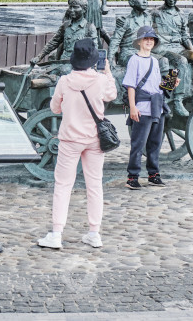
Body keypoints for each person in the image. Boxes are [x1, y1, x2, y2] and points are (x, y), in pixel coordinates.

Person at [38, 38, 117, 249]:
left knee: (63, 185)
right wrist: (107, 71)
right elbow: (113, 94)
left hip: (70, 139)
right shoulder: (100, 80)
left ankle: (56, 234)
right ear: (92, 60)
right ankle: (94, 232)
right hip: (94, 140)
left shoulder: (64, 81)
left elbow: (55, 109)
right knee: (94, 186)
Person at [123, 26, 175, 190]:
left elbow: (157, 86)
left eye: (151, 39)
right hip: (142, 108)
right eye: (146, 39)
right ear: (139, 42)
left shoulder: (155, 61)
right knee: (138, 144)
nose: (149, 42)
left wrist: (171, 84)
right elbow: (130, 86)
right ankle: (132, 177)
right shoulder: (134, 60)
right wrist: (132, 107)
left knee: (155, 144)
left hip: (156, 107)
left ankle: (153, 174)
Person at [152, 0, 193, 116]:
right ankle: (177, 99)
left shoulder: (181, 14)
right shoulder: (156, 14)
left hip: (177, 47)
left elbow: (184, 36)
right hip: (162, 48)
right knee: (180, 61)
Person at [30, 0, 99, 72]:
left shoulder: (89, 28)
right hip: (63, 62)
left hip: (80, 65)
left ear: (84, 10)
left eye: (75, 7)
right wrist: (39, 57)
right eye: (70, 7)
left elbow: (94, 49)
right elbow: (53, 42)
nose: (71, 10)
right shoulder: (65, 26)